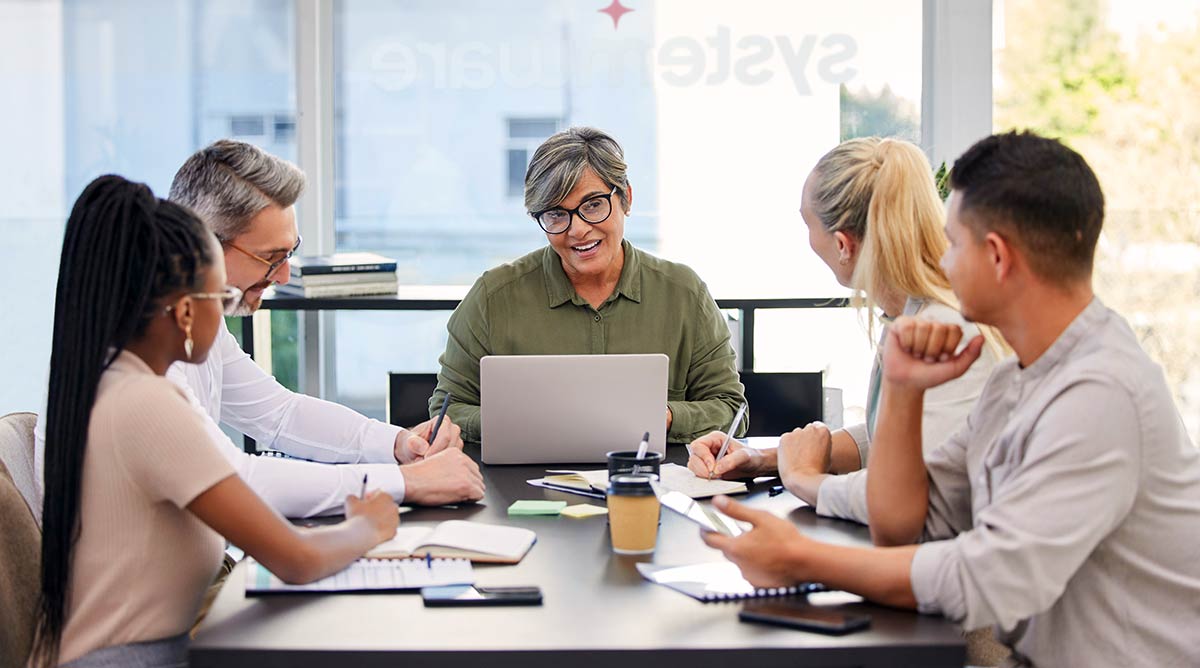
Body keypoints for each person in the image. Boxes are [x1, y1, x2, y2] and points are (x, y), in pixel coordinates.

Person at [700, 132, 1200, 667]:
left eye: (952, 242)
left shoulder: (1099, 393)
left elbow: (983, 578)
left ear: (997, 257)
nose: (941, 260)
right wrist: (901, 389)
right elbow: (912, 516)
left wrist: (802, 557)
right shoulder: (1019, 381)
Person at [33, 176, 398, 667]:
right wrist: (368, 526)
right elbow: (295, 558)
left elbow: (279, 411)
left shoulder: (109, 379)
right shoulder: (145, 403)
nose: (227, 314)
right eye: (219, 299)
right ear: (185, 313)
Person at [36, 139, 484, 517]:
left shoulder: (185, 332)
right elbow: (237, 477)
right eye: (272, 258)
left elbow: (280, 413)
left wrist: (398, 443)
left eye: (291, 252)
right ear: (203, 244)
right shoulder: (141, 367)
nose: (285, 276)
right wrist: (404, 482)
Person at [688, 137, 1003, 524]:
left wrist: (805, 478)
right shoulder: (912, 315)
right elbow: (900, 437)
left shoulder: (945, 332)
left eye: (807, 222)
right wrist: (765, 459)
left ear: (842, 244)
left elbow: (911, 501)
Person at [430, 126, 746, 444]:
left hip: (654, 484)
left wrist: (664, 417)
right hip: (520, 484)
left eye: (593, 205)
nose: (578, 230)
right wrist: (521, 422)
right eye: (556, 214)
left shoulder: (684, 294)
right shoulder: (492, 298)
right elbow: (446, 412)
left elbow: (731, 410)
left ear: (626, 198)